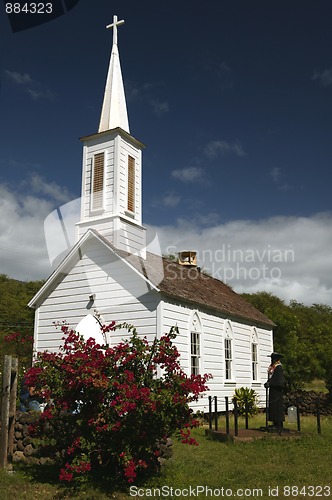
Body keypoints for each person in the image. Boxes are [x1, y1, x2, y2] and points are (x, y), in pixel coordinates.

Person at [264, 352, 284, 433]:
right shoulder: (273, 368)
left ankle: (278, 424)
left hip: (277, 391)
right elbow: (272, 378)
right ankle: (274, 423)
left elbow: (279, 381)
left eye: (273, 358)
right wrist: (268, 382)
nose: (272, 360)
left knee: (277, 407)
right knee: (273, 407)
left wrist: (271, 383)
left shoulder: (279, 368)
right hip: (272, 391)